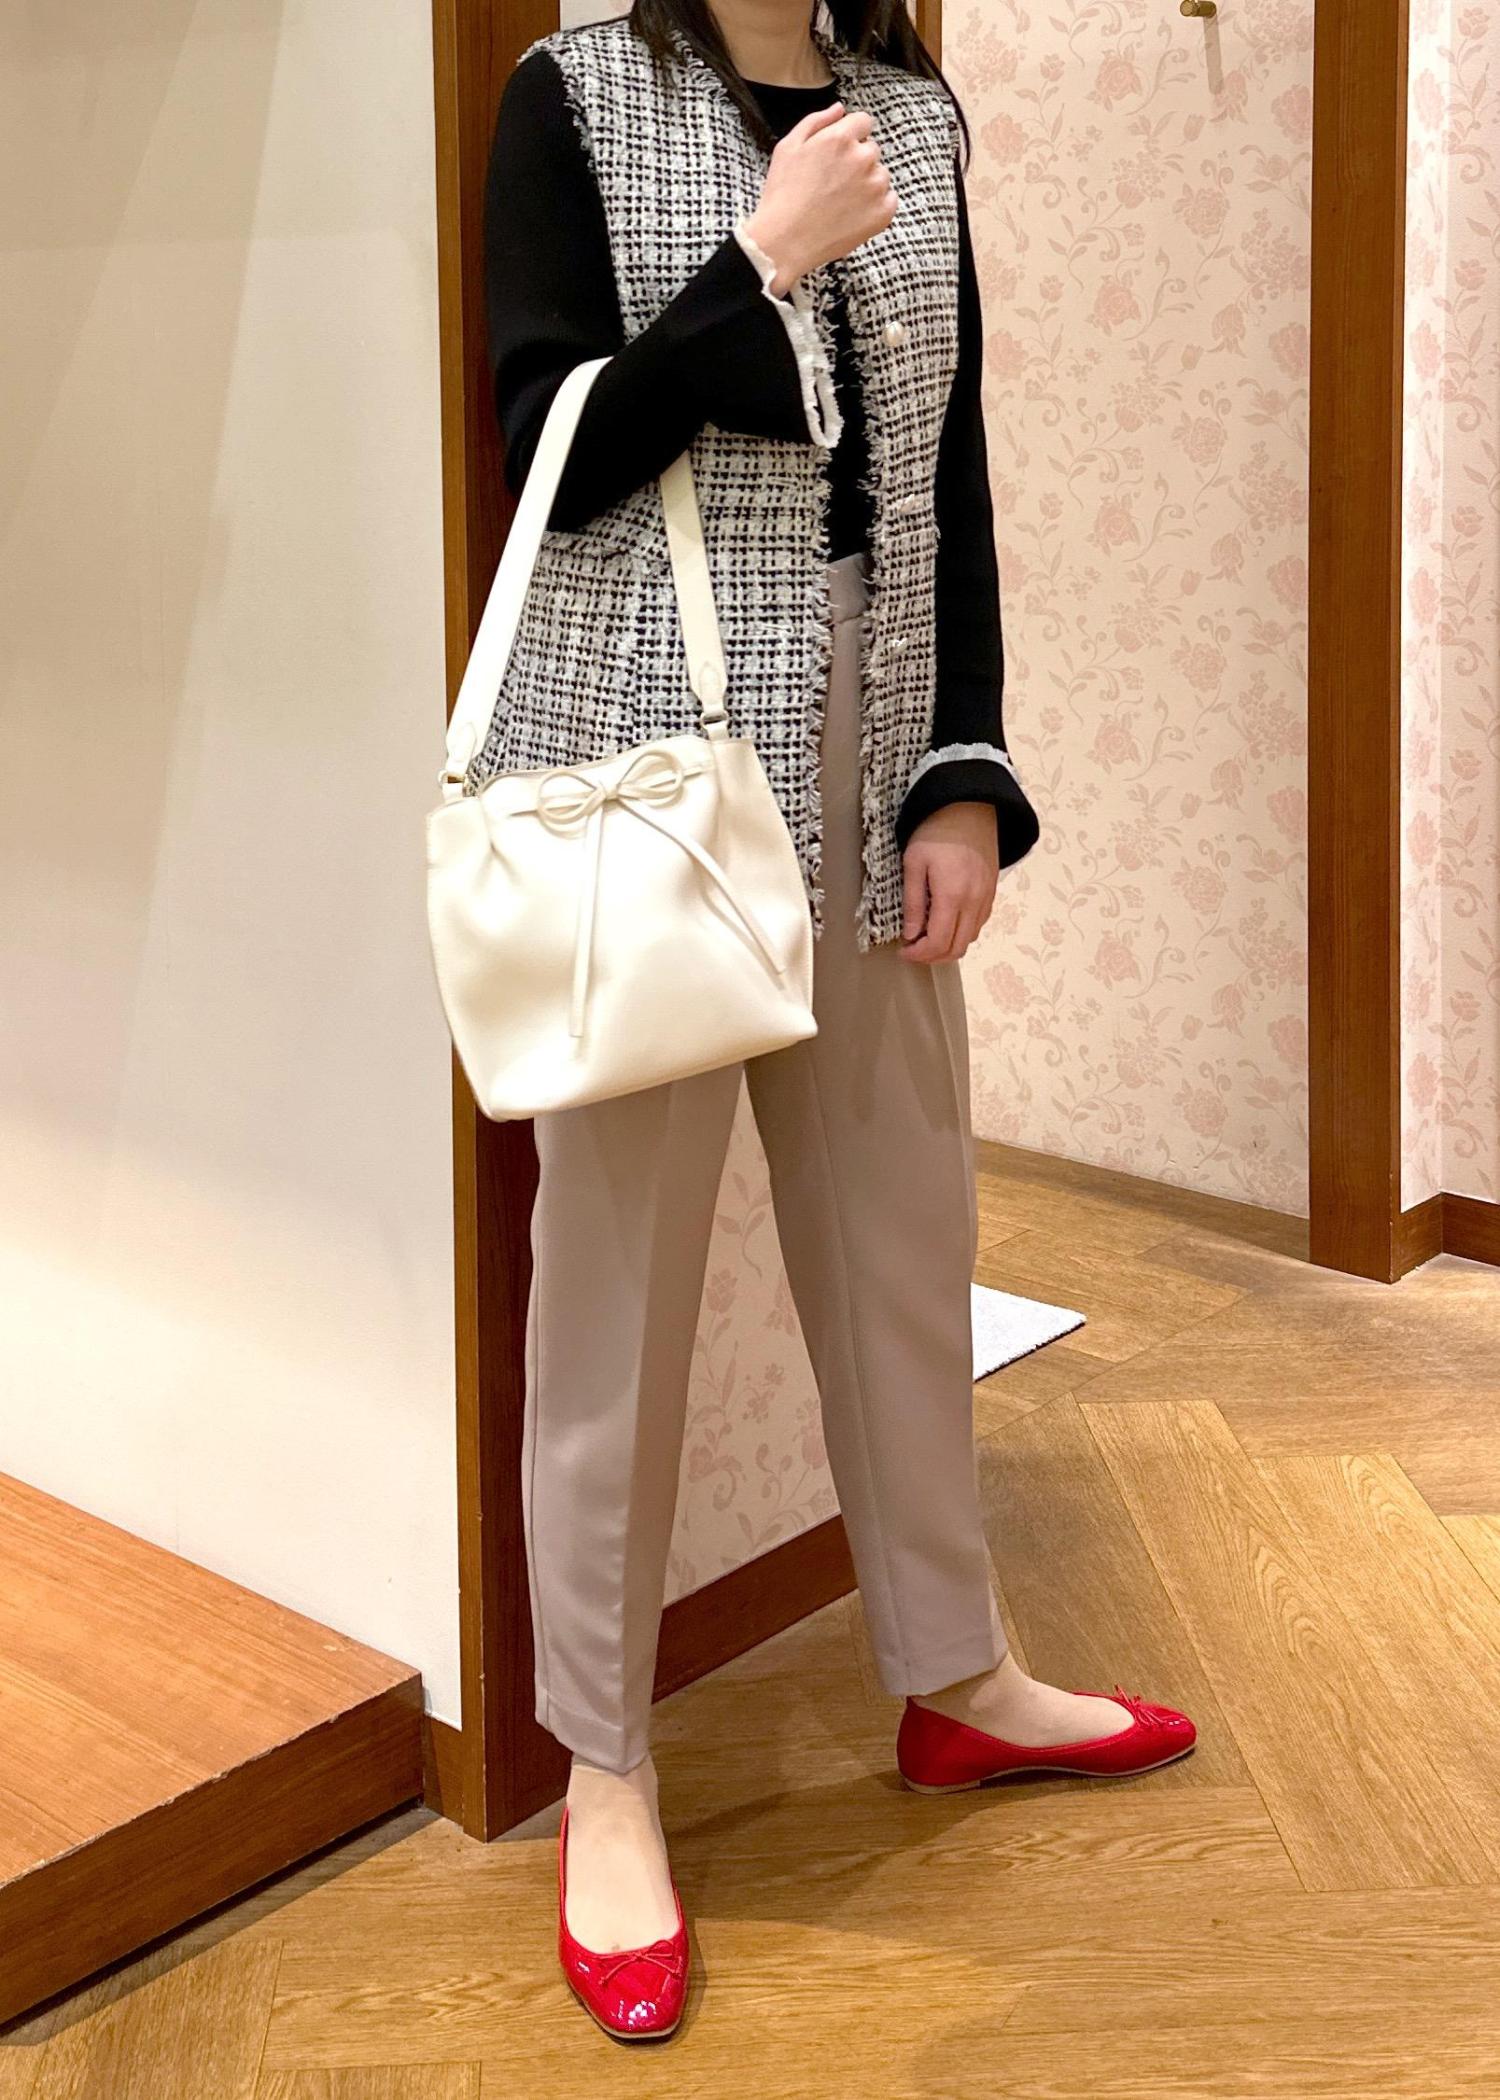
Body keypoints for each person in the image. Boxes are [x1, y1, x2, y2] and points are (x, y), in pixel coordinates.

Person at [479, 0, 1196, 2041]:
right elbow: (551, 455)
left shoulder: (911, 112)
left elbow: (948, 472)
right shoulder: (573, 98)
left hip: (875, 733)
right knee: (612, 1287)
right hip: (656, 767)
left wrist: (961, 770)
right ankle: (605, 1767)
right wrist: (759, 263)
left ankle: (956, 1674)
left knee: (903, 1233)